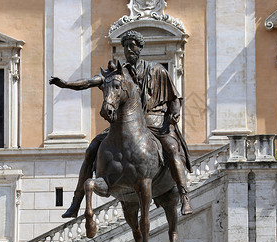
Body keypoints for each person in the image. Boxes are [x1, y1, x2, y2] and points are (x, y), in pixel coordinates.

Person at [49, 30, 193, 217]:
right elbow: (91, 81)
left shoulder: (157, 70)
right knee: (91, 149)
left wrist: (175, 113)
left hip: (154, 120)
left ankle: (184, 196)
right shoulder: (118, 74)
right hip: (127, 123)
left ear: (140, 48)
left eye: (133, 45)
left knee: (172, 148)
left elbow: (174, 98)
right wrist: (67, 84)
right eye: (126, 45)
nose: (129, 49)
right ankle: (77, 202)